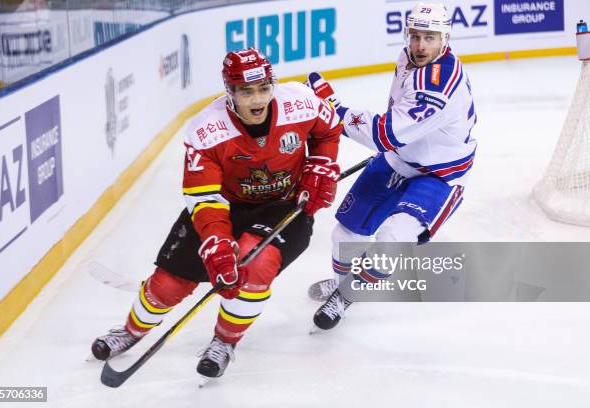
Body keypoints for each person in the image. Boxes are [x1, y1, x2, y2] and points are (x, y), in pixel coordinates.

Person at [91, 48, 342, 378]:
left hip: (283, 205)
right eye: (246, 91)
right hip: (224, 206)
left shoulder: (301, 102)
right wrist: (217, 245)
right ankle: (130, 330)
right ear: (230, 92)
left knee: (255, 264)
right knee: (167, 285)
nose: (257, 100)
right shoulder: (208, 130)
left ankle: (224, 342)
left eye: (264, 88)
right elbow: (206, 200)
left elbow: (328, 130)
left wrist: (321, 163)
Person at [305, 2, 477, 330]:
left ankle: (346, 295)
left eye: (430, 37)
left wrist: (335, 110)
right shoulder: (407, 57)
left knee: (392, 240)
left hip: (439, 174)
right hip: (399, 158)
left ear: (446, 38)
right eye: (415, 36)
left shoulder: (436, 85)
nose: (421, 45)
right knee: (345, 235)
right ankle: (343, 284)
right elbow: (396, 123)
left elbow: (386, 133)